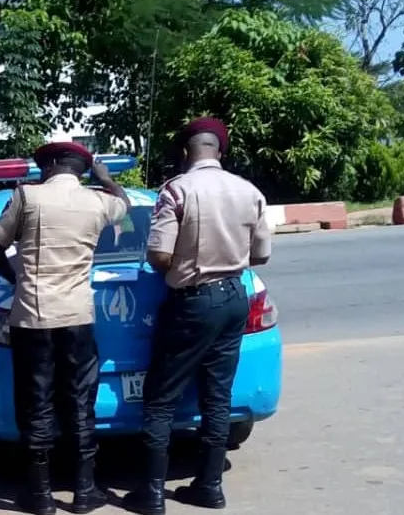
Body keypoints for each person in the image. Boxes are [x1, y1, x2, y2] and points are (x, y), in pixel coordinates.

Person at [122, 118, 271, 515]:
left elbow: (158, 256)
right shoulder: (248, 191)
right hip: (235, 297)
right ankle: (210, 486)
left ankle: (151, 494)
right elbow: (261, 255)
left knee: (160, 398)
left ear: (187, 152)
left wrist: (184, 264)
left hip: (193, 301)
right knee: (217, 395)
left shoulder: (177, 190)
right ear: (219, 151)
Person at [0, 142, 130, 515]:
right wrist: (106, 178)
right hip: (78, 317)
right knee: (80, 402)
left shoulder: (27, 196)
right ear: (81, 169)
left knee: (36, 404)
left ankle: (40, 496)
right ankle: (84, 492)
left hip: (32, 318)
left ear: (49, 164)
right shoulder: (98, 202)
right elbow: (124, 205)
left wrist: (17, 282)